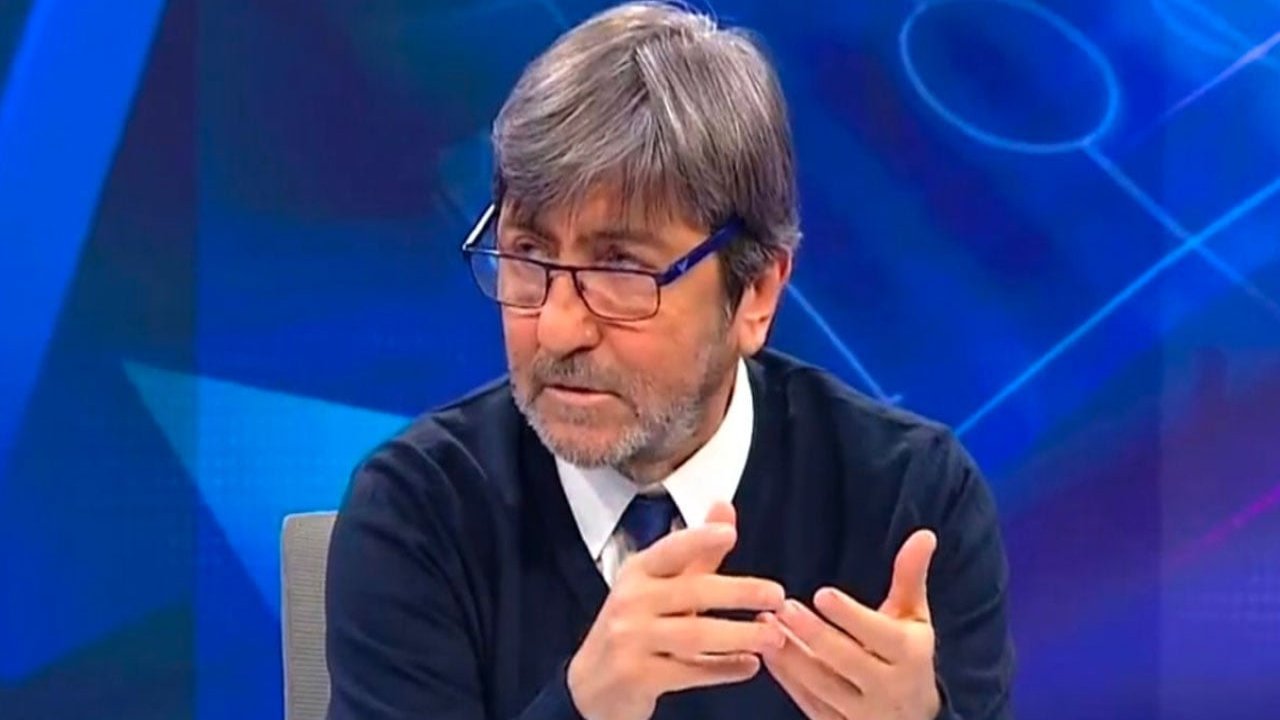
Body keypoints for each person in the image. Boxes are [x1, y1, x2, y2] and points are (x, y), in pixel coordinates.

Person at [324, 2, 1015, 718]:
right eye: (528, 255)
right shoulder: (419, 512)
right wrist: (583, 706)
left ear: (756, 292)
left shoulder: (911, 502)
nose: (556, 329)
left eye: (621, 269)